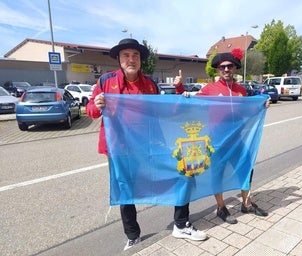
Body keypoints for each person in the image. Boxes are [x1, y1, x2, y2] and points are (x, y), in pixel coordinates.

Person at [86, 38, 207, 251]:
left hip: (149, 145)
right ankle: (133, 237)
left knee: (183, 172)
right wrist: (96, 105)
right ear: (119, 58)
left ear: (140, 59)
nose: (131, 59)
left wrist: (180, 92)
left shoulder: (150, 84)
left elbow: (162, 111)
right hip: (120, 149)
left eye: (136, 55)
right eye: (126, 55)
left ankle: (180, 224)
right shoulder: (105, 81)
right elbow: (91, 112)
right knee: (126, 191)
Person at [174, 49, 269, 225]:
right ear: (218, 70)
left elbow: (254, 104)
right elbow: (189, 102)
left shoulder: (241, 90)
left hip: (237, 139)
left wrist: (264, 102)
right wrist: (180, 88)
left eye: (230, 66)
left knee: (246, 169)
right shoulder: (209, 89)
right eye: (222, 67)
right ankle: (221, 207)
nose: (226, 70)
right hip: (217, 140)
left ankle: (246, 203)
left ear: (235, 68)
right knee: (217, 173)